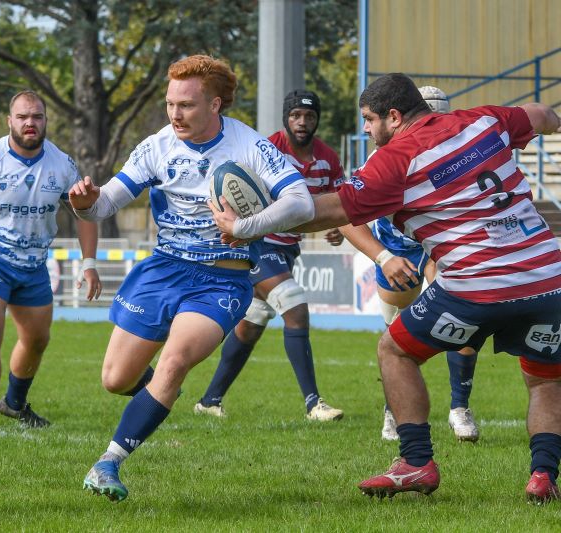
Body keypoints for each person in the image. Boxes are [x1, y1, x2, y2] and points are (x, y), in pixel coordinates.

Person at [212, 72, 561, 503]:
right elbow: (542, 114)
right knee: (545, 381)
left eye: (368, 119)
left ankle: (416, 463)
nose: (364, 129)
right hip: (548, 279)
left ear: (393, 117)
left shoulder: (394, 161)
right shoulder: (484, 120)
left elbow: (324, 211)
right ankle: (543, 475)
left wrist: (247, 225)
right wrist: (552, 124)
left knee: (394, 351)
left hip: (476, 284)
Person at [70, 55, 315, 502]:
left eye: (185, 105)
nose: (175, 114)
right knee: (115, 379)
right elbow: (104, 205)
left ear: (215, 105)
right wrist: (85, 202)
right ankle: (156, 398)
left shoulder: (250, 146)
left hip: (221, 280)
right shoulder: (156, 147)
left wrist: (243, 228)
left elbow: (302, 203)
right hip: (163, 270)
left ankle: (108, 463)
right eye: (170, 104)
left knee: (174, 361)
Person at [0, 89, 102, 433]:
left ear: (45, 121)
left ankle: (14, 404)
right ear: (10, 121)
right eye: (23, 117)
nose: (31, 123)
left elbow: (85, 212)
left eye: (38, 117)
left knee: (38, 340)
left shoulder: (62, 164)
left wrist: (89, 263)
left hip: (33, 265)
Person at [193, 89, 344, 421]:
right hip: (258, 246)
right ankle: (313, 404)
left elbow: (338, 202)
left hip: (288, 249)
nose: (302, 122)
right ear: (285, 118)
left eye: (309, 116)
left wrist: (335, 227)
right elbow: (234, 189)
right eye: (295, 116)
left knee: (251, 323)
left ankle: (209, 400)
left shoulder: (329, 159)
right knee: (294, 306)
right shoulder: (267, 148)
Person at [340, 86, 480, 442]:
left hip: (437, 247)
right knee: (395, 336)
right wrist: (384, 257)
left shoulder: (456, 152)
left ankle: (459, 407)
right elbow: (345, 214)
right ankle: (393, 407)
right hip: (396, 248)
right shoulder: (381, 162)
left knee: (462, 321)